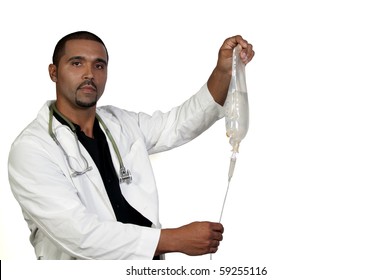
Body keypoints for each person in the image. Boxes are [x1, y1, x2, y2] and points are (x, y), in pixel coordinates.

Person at [8, 31, 254, 260]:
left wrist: (224, 71)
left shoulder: (120, 124)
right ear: (53, 72)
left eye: (99, 65)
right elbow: (79, 235)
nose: (89, 74)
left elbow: (178, 124)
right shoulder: (32, 149)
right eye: (76, 63)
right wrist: (173, 239)